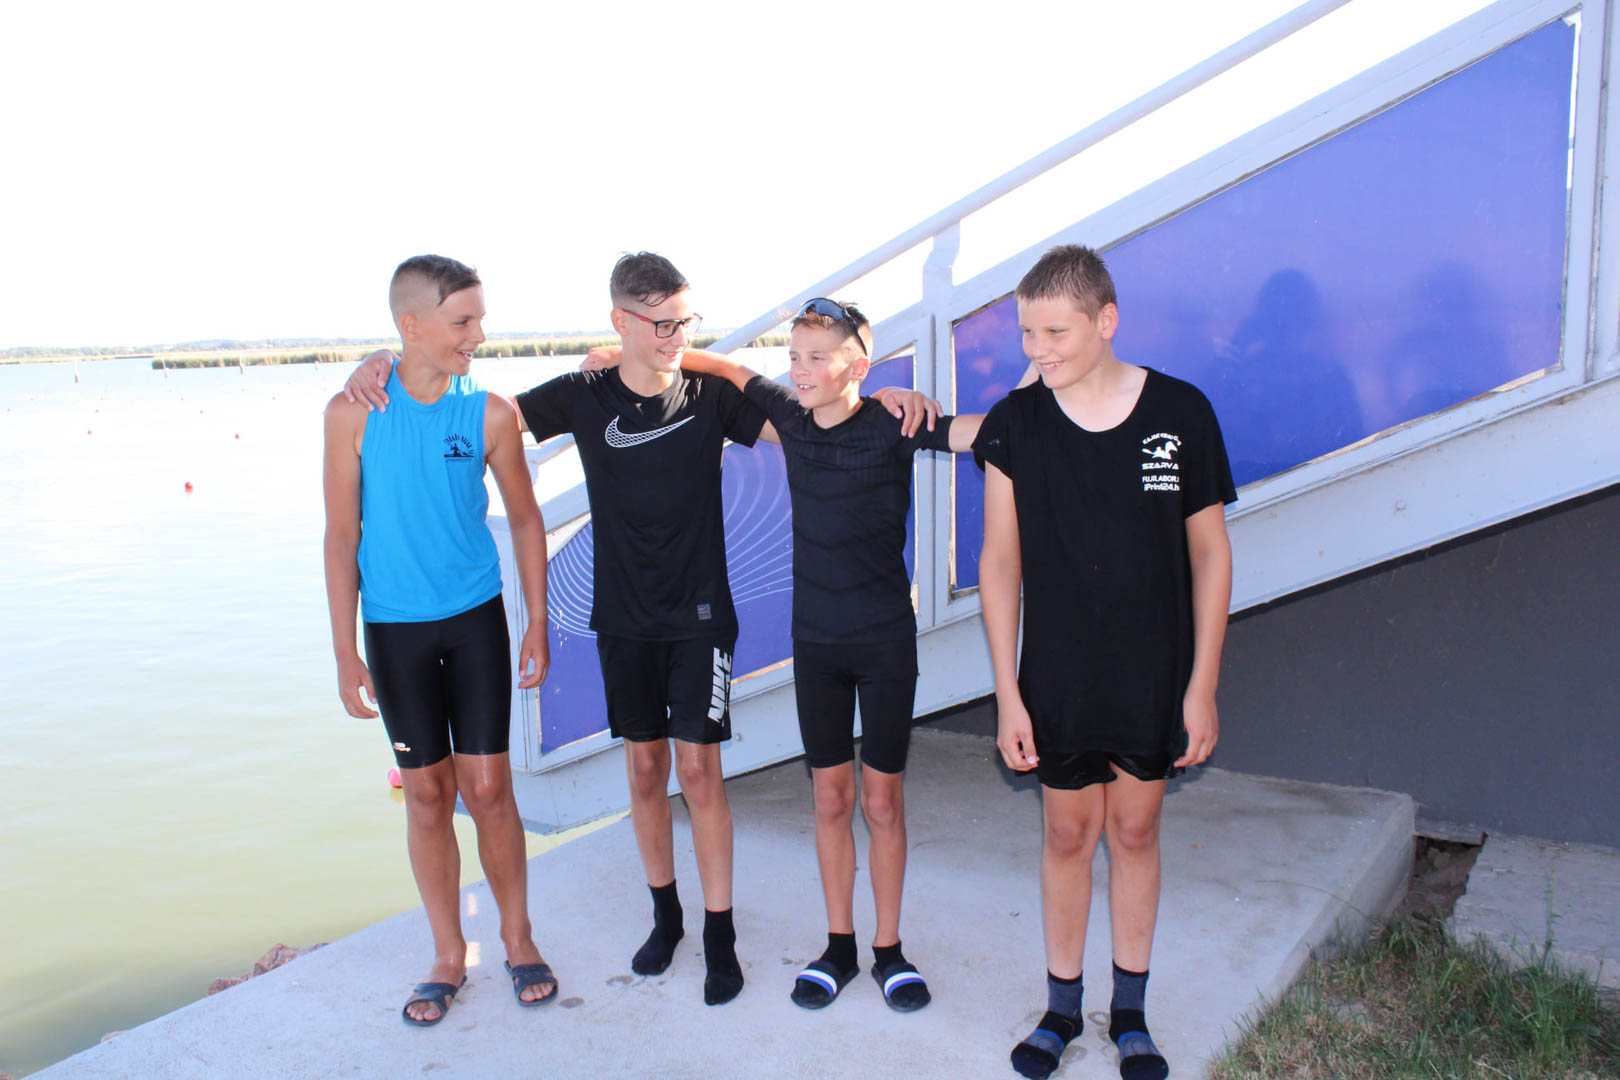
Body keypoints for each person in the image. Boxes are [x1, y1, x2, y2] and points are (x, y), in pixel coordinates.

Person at [346, 254, 940, 1006]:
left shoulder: (711, 398)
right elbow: (475, 412)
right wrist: (380, 362)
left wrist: (881, 396)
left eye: (685, 322)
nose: (676, 337)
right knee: (645, 772)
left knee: (700, 773)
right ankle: (668, 918)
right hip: (622, 621)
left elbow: (817, 422)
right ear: (620, 322)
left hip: (701, 617)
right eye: (661, 324)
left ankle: (720, 934)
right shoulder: (582, 395)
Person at [585, 297, 976, 1013]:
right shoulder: (791, 420)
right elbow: (728, 370)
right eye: (794, 357)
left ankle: (890, 950)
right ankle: (839, 947)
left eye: (816, 358)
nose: (799, 370)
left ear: (857, 366)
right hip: (816, 644)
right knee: (830, 799)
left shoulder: (892, 425)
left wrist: (1056, 385)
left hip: (885, 643)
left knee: (881, 801)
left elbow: (985, 433)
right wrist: (627, 355)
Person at [974, 245, 1235, 1080]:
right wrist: (1008, 695)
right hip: (1057, 675)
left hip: (1153, 673)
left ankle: (1130, 1013)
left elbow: (1211, 555)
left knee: (1134, 830)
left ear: (1106, 321)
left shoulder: (1182, 412)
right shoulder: (1016, 424)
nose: (1038, 350)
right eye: (1027, 334)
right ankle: (1060, 1010)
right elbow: (999, 563)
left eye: (1055, 332)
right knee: (1066, 832)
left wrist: (1202, 685)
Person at [322, 254, 556, 1027]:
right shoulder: (351, 414)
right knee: (426, 795)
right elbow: (341, 535)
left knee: (489, 789)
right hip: (394, 633)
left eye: (479, 319)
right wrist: (345, 650)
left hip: (474, 620)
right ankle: (449, 954)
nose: (478, 335)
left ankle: (517, 938)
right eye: (463, 322)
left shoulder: (489, 413)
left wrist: (538, 620)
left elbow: (526, 519)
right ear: (411, 325)